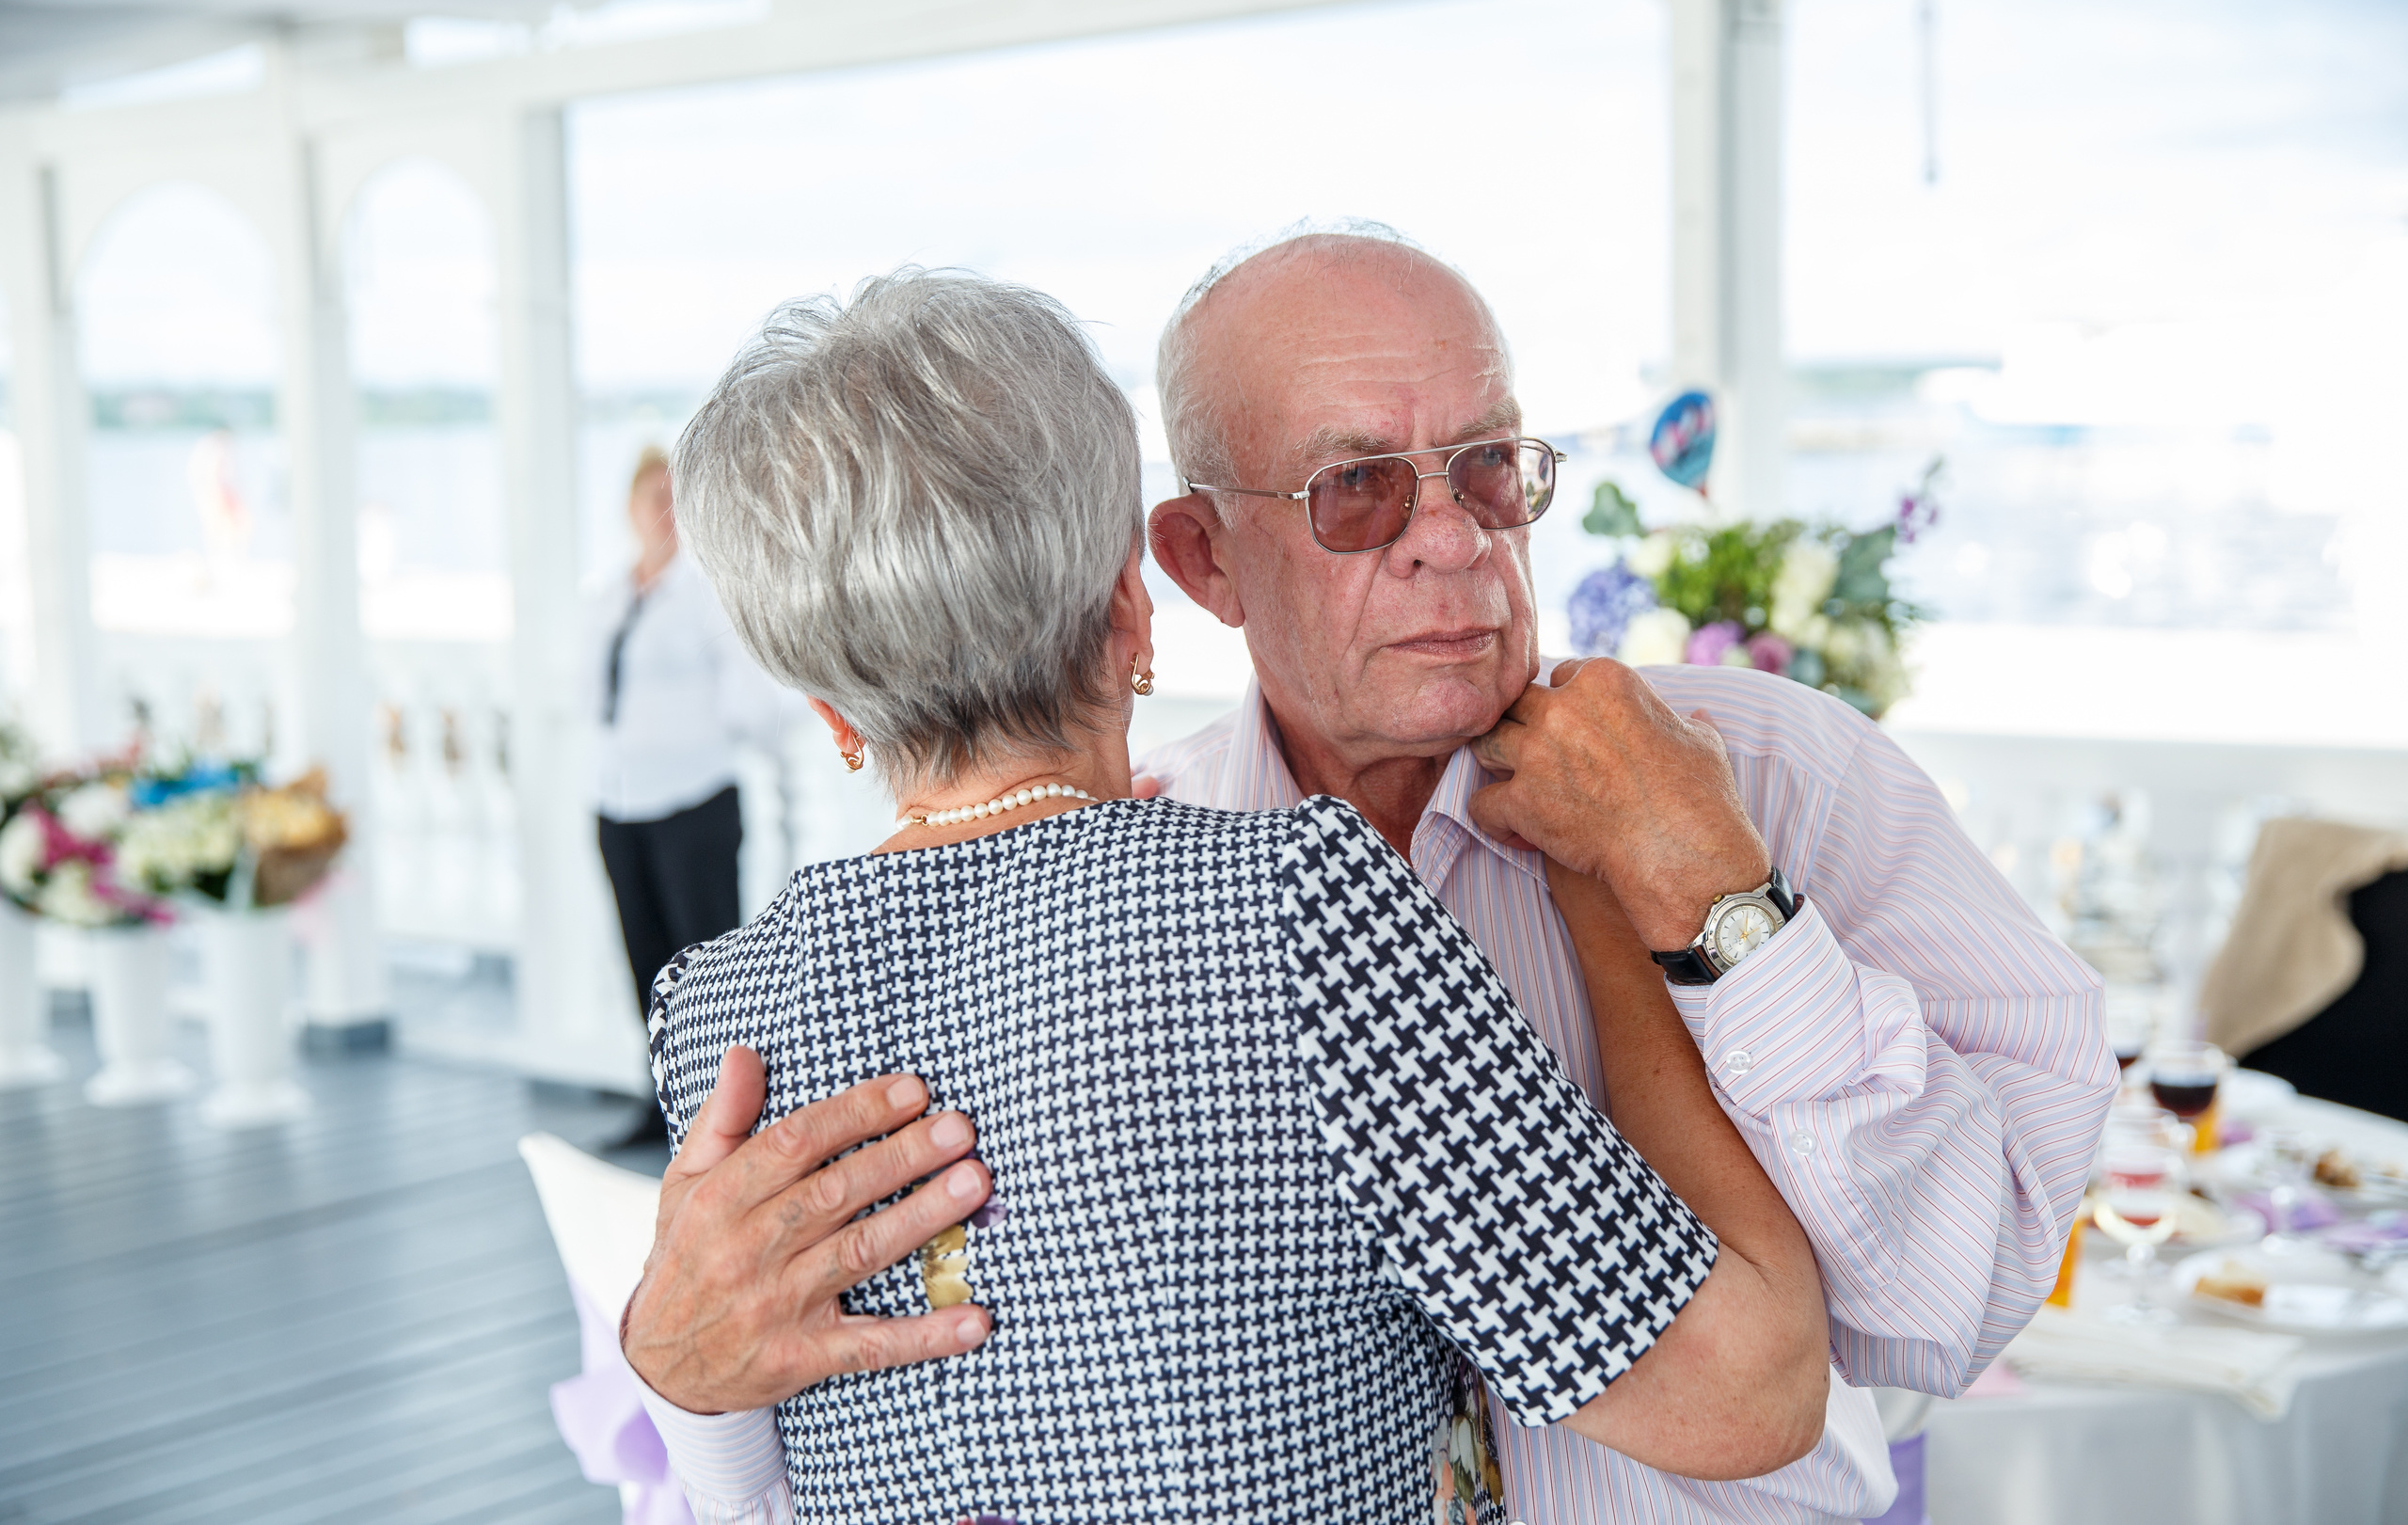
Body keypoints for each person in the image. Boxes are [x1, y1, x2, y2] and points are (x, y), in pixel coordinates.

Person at [627, 228, 2118, 1523]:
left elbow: (1954, 1307)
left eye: (1490, 465)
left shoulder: (1777, 776)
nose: (1458, 539)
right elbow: (1746, 1375)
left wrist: (1711, 891)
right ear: (1173, 578)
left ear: (826, 709)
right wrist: (678, 1359)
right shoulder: (1271, 900)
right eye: (1357, 490)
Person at [589, 445, 784, 1145]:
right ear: (629, 510)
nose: (665, 513)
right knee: (642, 958)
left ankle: (717, 1113)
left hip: (693, 802)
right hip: (620, 803)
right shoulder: (612, 595)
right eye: (653, 499)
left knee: (702, 964)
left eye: (676, 499)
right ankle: (660, 1101)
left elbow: (752, 701)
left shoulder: (705, 595)